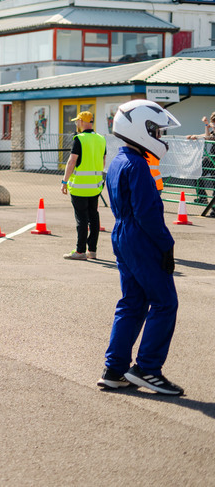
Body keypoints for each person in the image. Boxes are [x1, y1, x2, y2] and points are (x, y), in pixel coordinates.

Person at [98, 99, 183, 395]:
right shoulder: (138, 165)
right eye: (155, 131)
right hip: (141, 237)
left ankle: (114, 369)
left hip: (122, 234)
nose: (158, 137)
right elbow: (148, 213)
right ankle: (147, 368)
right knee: (164, 302)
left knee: (132, 303)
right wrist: (166, 244)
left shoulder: (119, 161)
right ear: (140, 129)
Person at [61, 111, 106, 260]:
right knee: (94, 217)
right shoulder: (101, 139)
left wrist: (64, 181)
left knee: (81, 219)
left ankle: (80, 251)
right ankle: (92, 251)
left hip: (79, 187)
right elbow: (103, 161)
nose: (76, 124)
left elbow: (72, 161)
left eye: (77, 121)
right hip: (95, 186)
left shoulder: (79, 139)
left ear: (81, 122)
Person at [186, 112, 215, 206]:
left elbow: (210, 137)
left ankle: (213, 208)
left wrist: (210, 125)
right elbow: (207, 136)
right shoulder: (212, 130)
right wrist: (195, 136)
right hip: (211, 157)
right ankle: (202, 197)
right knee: (196, 173)